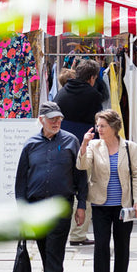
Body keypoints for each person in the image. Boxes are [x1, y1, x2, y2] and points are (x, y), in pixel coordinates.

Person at [15, 101, 88, 272]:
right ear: (41, 120)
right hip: (36, 207)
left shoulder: (71, 141)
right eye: (51, 119)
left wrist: (82, 205)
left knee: (54, 254)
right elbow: (21, 181)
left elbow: (80, 176)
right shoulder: (30, 144)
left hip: (60, 206)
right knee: (45, 252)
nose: (56, 123)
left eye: (59, 119)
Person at [77, 109, 137, 272]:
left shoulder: (130, 147)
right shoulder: (94, 145)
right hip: (100, 204)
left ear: (114, 127)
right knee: (101, 245)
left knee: (122, 245)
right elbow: (82, 165)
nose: (99, 129)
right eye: (98, 125)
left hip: (124, 205)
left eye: (103, 126)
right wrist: (84, 144)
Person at [54, 59, 103, 246]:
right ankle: (78, 234)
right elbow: (98, 126)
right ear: (92, 78)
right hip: (84, 148)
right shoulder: (93, 95)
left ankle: (60, 231)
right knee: (84, 189)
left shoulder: (61, 93)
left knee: (63, 189)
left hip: (62, 148)